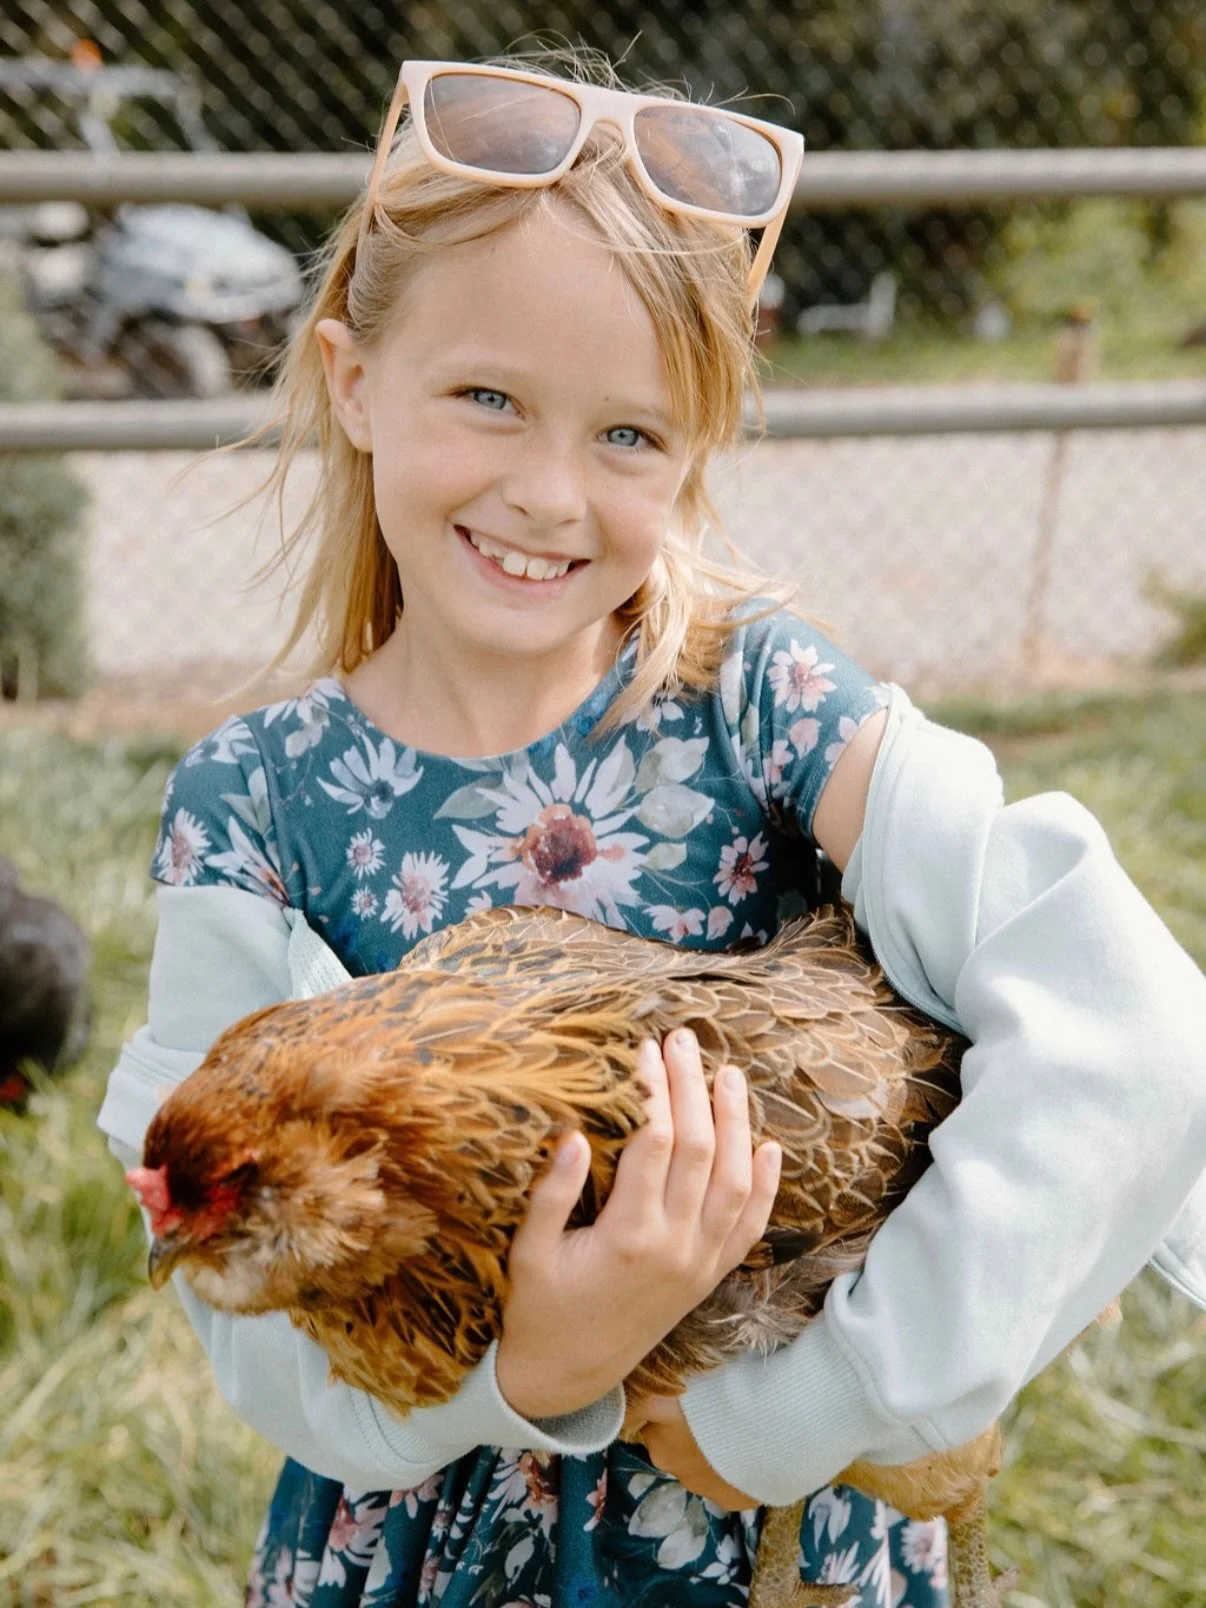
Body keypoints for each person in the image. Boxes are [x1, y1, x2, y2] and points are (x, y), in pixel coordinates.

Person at [99, 50, 1206, 1608]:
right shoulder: (253, 801)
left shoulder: (763, 705)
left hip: (768, 1537)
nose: (550, 493)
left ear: (699, 448)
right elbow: (243, 1320)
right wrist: (543, 1356)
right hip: (423, 1546)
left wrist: (808, 1412)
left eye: (628, 435)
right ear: (351, 380)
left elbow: (1134, 1030)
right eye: (487, 398)